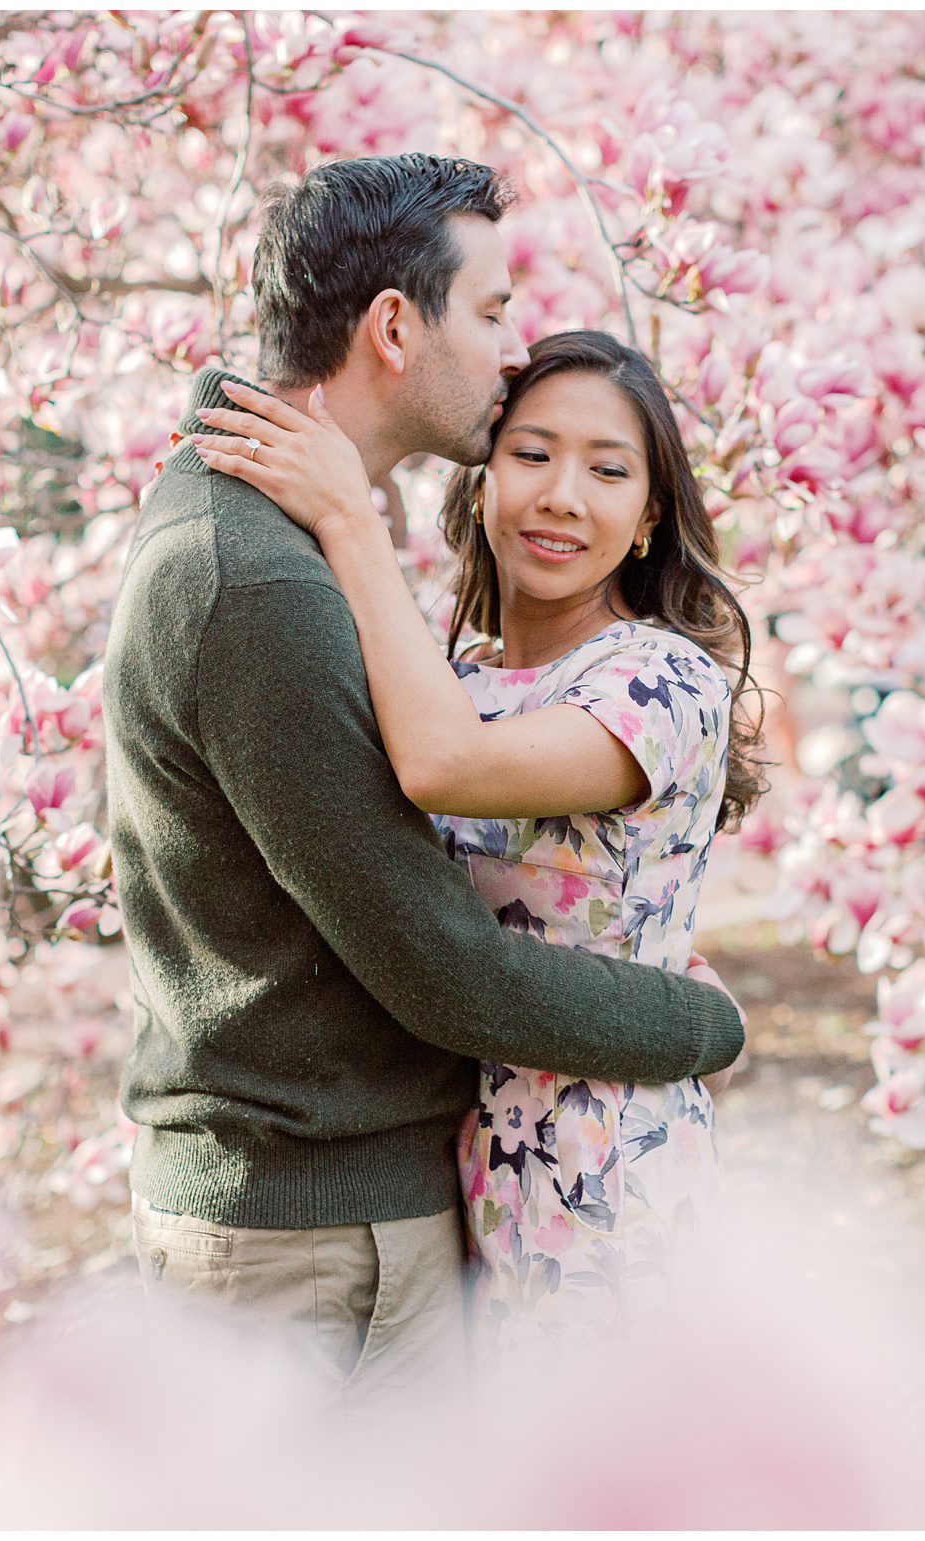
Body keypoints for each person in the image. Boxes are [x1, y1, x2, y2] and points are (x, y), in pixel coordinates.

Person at [101, 155, 746, 1414]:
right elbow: (443, 959)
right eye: (492, 312)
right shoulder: (269, 578)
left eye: (609, 471)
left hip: (509, 1190)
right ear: (395, 325)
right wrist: (700, 1026)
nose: (509, 353)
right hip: (312, 1220)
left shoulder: (301, 550)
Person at [189, 329, 770, 1358]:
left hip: (606, 1176)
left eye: (606, 470)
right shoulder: (453, 680)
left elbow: (445, 770)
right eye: (532, 453)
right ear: (483, 479)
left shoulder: (659, 682)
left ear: (645, 519)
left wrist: (344, 516)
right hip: (466, 1166)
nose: (559, 495)